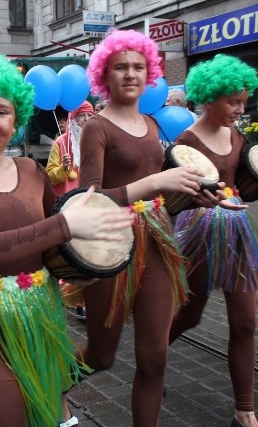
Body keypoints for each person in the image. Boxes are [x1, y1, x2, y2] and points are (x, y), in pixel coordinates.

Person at [0, 55, 135, 426]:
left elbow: (54, 244)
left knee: (52, 406)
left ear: (16, 118)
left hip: (40, 312)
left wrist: (86, 257)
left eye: (2, 111)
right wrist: (66, 226)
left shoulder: (29, 169)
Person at [74, 29, 229, 426]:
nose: (130, 74)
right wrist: (154, 183)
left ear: (150, 73)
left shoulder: (150, 123)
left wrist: (197, 195)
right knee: (101, 356)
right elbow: (87, 200)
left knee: (155, 355)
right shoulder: (97, 127)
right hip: (111, 246)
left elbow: (161, 188)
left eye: (138, 67)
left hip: (158, 244)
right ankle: (45, 390)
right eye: (120, 67)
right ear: (104, 75)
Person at [168, 54, 258, 427]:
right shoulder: (185, 140)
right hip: (198, 233)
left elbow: (246, 188)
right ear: (209, 98)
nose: (239, 109)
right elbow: (171, 198)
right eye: (232, 102)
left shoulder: (238, 136)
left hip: (237, 233)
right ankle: (151, 357)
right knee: (189, 314)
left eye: (243, 101)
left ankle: (244, 409)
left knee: (246, 322)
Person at [46, 100, 95, 321]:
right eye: (81, 117)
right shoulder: (61, 143)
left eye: (89, 116)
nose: (85, 121)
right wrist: (64, 169)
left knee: (88, 252)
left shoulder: (97, 141)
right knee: (70, 252)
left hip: (92, 203)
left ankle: (83, 300)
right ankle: (67, 292)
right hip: (67, 205)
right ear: (72, 120)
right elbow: (50, 175)